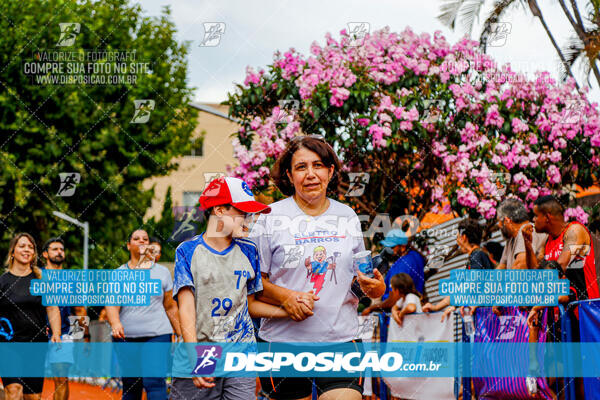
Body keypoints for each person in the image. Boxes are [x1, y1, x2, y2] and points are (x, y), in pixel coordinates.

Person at [250, 135, 386, 400]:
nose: (310, 174)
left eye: (318, 165)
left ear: (330, 171)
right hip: (282, 345)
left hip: (340, 340)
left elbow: (358, 279)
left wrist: (375, 287)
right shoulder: (270, 217)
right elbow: (253, 284)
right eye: (301, 167)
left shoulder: (346, 216)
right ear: (289, 175)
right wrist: (286, 297)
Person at [170, 176, 290, 399]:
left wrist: (287, 312)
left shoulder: (249, 250)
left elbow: (250, 304)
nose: (247, 221)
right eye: (242, 214)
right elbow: (186, 310)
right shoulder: (187, 251)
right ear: (219, 210)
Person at [106, 229, 182, 400]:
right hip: (126, 337)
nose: (141, 241)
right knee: (131, 384)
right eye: (136, 238)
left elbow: (170, 306)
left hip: (157, 335)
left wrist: (180, 332)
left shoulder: (162, 272)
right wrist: (116, 323)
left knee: (154, 381)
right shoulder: (119, 274)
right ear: (128, 245)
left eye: (145, 239)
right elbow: (111, 304)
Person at [0, 233, 62, 400]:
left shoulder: (41, 280)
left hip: (36, 345)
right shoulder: (2, 282)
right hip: (8, 345)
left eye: (30, 247)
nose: (27, 249)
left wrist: (56, 334)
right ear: (12, 252)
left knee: (33, 397)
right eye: (22, 246)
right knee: (14, 390)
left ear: (34, 254)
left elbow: (52, 308)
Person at [41, 237, 88, 400]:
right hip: (35, 334)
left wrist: (81, 339)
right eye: (55, 249)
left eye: (61, 249)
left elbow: (79, 310)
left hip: (64, 335)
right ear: (45, 254)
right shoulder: (37, 276)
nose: (59, 252)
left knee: (61, 377)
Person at [422, 218, 494, 321]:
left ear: (463, 237)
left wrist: (455, 305)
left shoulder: (476, 256)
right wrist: (436, 307)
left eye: (457, 236)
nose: (457, 240)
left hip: (484, 318)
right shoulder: (476, 256)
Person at [361, 229, 425, 316]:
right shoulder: (416, 256)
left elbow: (393, 300)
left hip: (398, 317)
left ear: (402, 247)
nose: (389, 250)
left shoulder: (401, 265)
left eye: (392, 247)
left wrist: (371, 308)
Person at [495, 198, 547, 270]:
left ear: (507, 221)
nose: (499, 225)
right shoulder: (511, 238)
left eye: (499, 221)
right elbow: (501, 267)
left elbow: (520, 267)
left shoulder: (526, 230)